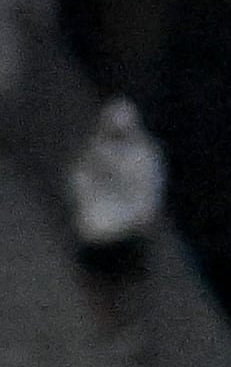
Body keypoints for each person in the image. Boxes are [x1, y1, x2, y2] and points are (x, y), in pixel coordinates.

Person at [69, 96, 166, 330]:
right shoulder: (97, 149)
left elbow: (148, 189)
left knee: (122, 280)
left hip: (126, 230)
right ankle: (106, 316)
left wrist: (143, 218)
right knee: (97, 277)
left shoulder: (144, 155)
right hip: (98, 229)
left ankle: (119, 318)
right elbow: (81, 180)